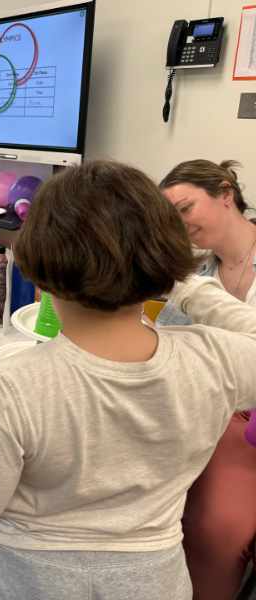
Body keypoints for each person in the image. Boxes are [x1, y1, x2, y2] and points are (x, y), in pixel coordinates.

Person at [0, 160, 256, 600]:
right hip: (153, 580)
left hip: (25, 581)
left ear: (41, 264)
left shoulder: (17, 382)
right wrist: (184, 283)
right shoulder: (212, 362)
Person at [157, 159, 256, 600]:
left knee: (214, 528)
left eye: (185, 209)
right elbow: (170, 349)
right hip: (200, 408)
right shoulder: (196, 276)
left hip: (246, 420)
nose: (181, 225)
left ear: (225, 193)